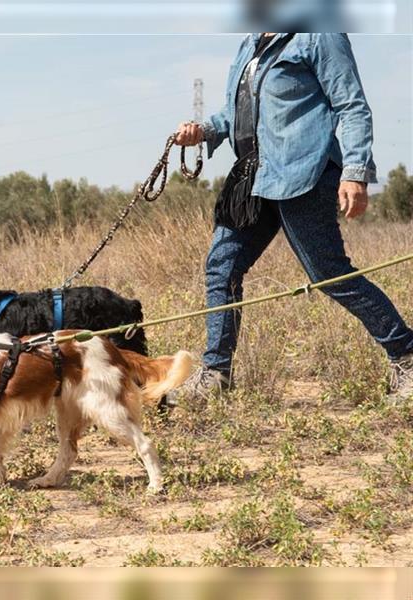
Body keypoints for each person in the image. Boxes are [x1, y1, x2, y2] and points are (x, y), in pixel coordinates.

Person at [172, 33, 413, 404]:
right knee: (221, 266)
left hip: (306, 174)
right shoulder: (250, 44)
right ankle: (217, 374)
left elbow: (351, 105)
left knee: (330, 274)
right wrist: (204, 130)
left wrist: (354, 171)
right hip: (255, 177)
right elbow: (233, 113)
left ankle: (406, 354)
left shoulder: (319, 34)